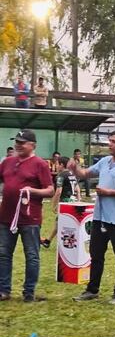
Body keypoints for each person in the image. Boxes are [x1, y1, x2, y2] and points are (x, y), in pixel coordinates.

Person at [70, 131, 115, 304]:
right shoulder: (104, 162)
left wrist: (109, 192)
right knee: (96, 254)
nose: (109, 144)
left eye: (113, 141)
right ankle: (92, 289)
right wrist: (75, 169)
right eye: (109, 141)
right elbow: (85, 174)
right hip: (100, 217)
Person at [0, 129, 54, 302]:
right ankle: (3, 290)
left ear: (33, 145)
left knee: (31, 255)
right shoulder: (7, 162)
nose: (18, 144)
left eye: (22, 142)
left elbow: (50, 190)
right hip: (6, 216)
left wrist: (32, 190)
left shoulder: (40, 164)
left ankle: (29, 292)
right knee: (3, 254)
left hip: (30, 218)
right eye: (17, 141)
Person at [41, 156, 81, 248]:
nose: (57, 166)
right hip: (73, 201)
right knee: (61, 222)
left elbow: (58, 191)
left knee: (62, 223)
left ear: (62, 165)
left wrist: (54, 204)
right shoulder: (72, 174)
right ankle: (48, 241)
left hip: (65, 202)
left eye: (58, 164)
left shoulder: (61, 175)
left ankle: (68, 243)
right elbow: (77, 189)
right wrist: (78, 201)